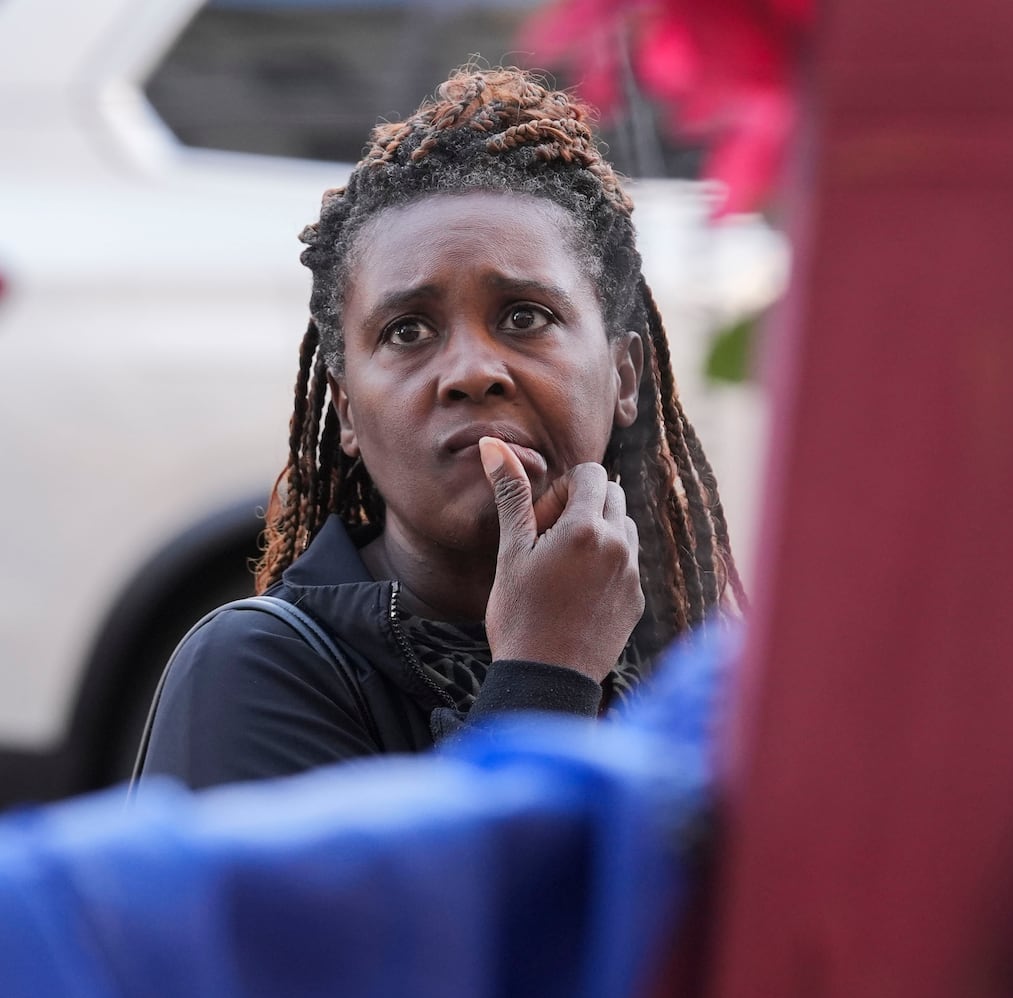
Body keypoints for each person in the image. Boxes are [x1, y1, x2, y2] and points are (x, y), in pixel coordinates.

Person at [140, 66, 743, 789]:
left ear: (625, 377)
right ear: (348, 410)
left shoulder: (700, 674)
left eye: (525, 316)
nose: (470, 371)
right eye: (407, 330)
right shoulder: (252, 668)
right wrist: (545, 673)